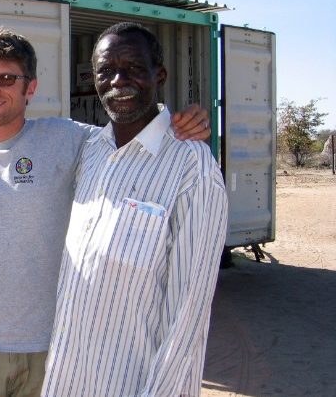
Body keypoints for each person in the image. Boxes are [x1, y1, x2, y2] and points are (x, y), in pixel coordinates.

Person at [0, 28, 211, 397]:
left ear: (30, 88)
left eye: (5, 78)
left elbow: (131, 128)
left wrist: (185, 120)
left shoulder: (72, 139)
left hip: (52, 350)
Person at [41, 22, 228, 397]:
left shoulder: (191, 166)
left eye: (133, 68)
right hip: (66, 379)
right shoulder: (91, 149)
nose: (118, 80)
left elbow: (188, 313)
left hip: (134, 385)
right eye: (106, 71)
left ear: (159, 74)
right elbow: (27, 137)